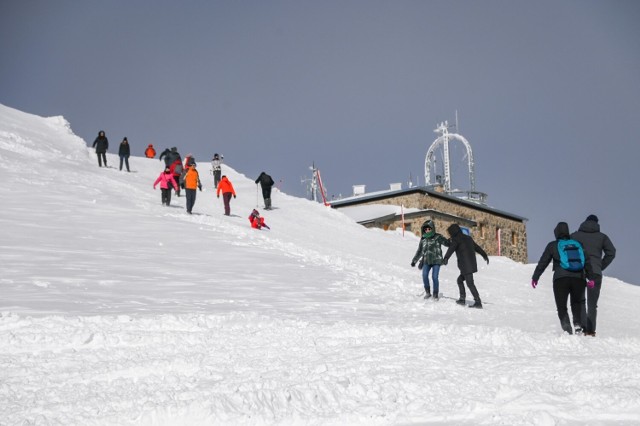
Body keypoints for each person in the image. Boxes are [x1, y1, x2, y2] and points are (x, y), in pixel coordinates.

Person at [532, 222, 594, 335]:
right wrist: (591, 278)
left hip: (561, 279)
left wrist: (535, 277)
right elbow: (587, 261)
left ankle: (567, 329)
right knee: (576, 303)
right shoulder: (578, 244)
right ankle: (578, 325)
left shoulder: (553, 245)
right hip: (579, 278)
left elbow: (543, 262)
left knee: (561, 305)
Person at [571, 215, 616, 337]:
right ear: (597, 223)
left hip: (579, 272)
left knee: (579, 300)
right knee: (592, 304)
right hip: (595, 273)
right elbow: (612, 252)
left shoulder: (575, 235)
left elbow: (566, 246)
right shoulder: (602, 237)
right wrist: (600, 266)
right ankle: (590, 331)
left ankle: (580, 328)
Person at [443, 223, 489, 309]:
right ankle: (462, 299)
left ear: (453, 232)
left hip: (465, 265)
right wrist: (484, 255)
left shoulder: (456, 239)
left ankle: (478, 302)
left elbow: (451, 249)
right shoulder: (468, 238)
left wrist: (446, 258)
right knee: (460, 280)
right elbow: (477, 247)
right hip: (470, 264)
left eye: (450, 233)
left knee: (470, 283)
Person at [411, 220, 450, 300]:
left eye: (429, 229)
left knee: (434, 277)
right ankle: (428, 292)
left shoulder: (438, 237)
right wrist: (414, 261)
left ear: (432, 228)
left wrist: (452, 240)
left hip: (436, 261)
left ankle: (435, 294)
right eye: (426, 229)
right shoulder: (423, 239)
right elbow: (420, 251)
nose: (427, 230)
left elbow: (447, 243)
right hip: (427, 261)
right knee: (424, 275)